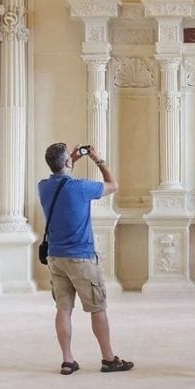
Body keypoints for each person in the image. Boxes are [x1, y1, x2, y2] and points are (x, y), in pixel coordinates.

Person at [38, 142, 133, 375]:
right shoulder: (79, 187)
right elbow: (113, 185)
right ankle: (109, 359)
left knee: (63, 309)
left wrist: (70, 161)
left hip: (55, 258)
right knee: (97, 308)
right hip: (81, 257)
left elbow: (61, 176)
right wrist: (97, 159)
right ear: (68, 162)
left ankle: (68, 360)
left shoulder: (43, 186)